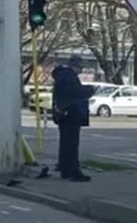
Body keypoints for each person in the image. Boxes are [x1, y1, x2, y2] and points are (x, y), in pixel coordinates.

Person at [52, 54, 95, 182]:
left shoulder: (62, 76)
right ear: (75, 66)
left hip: (64, 114)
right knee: (71, 144)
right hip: (70, 114)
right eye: (80, 67)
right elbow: (74, 92)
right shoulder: (68, 77)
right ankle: (73, 171)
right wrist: (88, 90)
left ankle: (65, 169)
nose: (81, 70)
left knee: (65, 143)